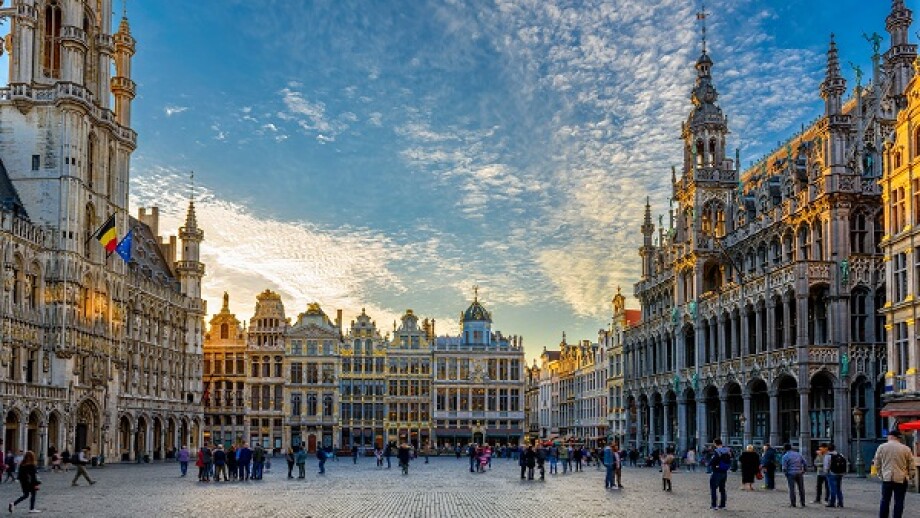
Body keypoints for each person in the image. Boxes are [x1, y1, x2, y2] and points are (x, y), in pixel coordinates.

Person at [875, 429, 913, 518]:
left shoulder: (882, 447)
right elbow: (911, 464)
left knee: (885, 500)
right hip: (901, 478)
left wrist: (881, 474)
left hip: (887, 477)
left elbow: (877, 463)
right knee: (899, 501)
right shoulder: (906, 448)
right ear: (898, 438)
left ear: (890, 436)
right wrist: (910, 476)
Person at [780, 443, 806, 508]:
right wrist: (804, 470)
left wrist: (785, 474)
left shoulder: (785, 456)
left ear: (784, 449)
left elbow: (784, 468)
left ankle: (793, 503)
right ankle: (803, 503)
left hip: (790, 473)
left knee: (792, 489)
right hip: (799, 473)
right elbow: (804, 462)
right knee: (801, 488)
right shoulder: (798, 454)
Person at [709, 439, 731, 510]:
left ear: (715, 444)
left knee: (713, 489)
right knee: (722, 489)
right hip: (724, 471)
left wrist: (709, 463)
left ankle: (714, 505)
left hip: (716, 471)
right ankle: (722, 505)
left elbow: (713, 461)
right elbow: (731, 457)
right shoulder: (728, 450)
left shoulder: (717, 451)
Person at [823, 443, 845, 508]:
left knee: (832, 488)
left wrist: (826, 473)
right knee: (839, 488)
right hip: (840, 473)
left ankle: (832, 502)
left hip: (832, 473)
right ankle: (840, 502)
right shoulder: (840, 455)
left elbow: (826, 466)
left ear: (828, 449)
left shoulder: (828, 456)